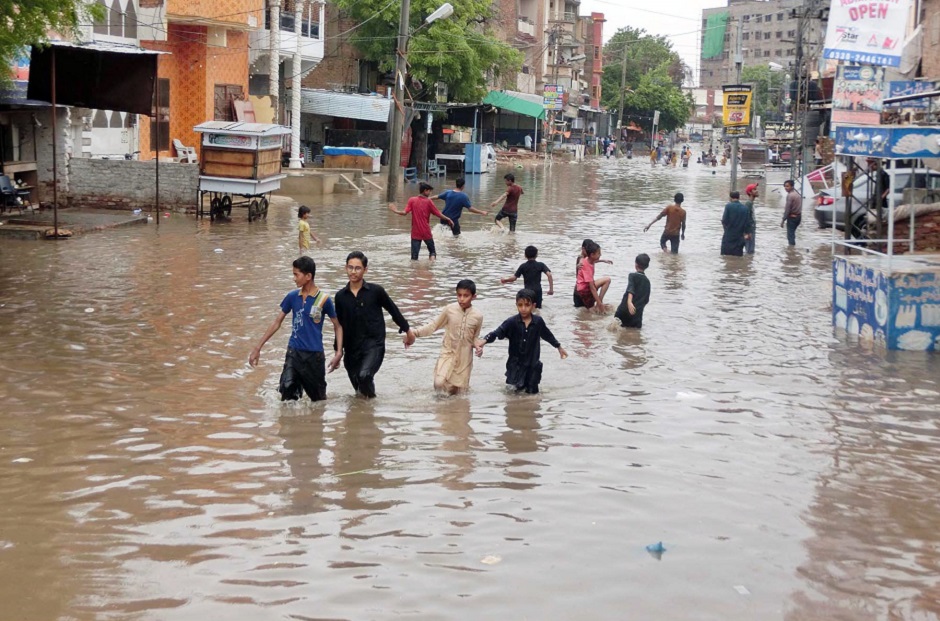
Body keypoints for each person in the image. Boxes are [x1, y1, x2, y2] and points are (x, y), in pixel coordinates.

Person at [249, 256, 343, 402]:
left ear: (308, 276)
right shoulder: (292, 297)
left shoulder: (324, 300)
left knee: (318, 401)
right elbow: (277, 322)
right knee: (287, 391)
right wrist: (258, 347)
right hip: (294, 353)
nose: (294, 279)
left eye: (296, 274)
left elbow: (337, 326)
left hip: (314, 357)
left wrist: (338, 352)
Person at [334, 251, 412, 398]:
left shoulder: (376, 291)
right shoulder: (340, 297)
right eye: (350, 267)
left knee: (365, 376)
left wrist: (408, 331)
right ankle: (366, 415)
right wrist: (338, 351)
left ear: (365, 270)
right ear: (345, 268)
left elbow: (393, 310)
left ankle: (371, 410)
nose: (353, 271)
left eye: (357, 268)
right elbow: (339, 325)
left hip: (373, 346)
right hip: (351, 349)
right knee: (359, 390)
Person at [474, 289, 568, 394]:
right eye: (520, 305)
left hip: (533, 365)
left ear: (533, 306)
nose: (523, 309)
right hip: (515, 366)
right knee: (513, 395)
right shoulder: (511, 322)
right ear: (516, 305)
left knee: (532, 395)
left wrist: (559, 347)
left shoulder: (538, 322)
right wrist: (484, 341)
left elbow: (547, 335)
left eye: (527, 305)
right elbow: (497, 332)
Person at [407, 279, 484, 395]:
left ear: (474, 297)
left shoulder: (478, 316)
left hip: (465, 357)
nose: (461, 299)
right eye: (459, 295)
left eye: (466, 296)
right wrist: (414, 333)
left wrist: (478, 347)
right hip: (448, 353)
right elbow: (434, 325)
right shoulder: (449, 310)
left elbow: (474, 337)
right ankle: (439, 406)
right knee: (439, 383)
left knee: (459, 393)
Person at [388, 182, 453, 260]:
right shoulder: (429, 202)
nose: (430, 193)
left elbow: (404, 213)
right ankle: (431, 267)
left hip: (416, 232)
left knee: (414, 257)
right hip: (426, 231)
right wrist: (448, 219)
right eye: (429, 191)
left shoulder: (412, 200)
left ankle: (414, 270)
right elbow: (438, 214)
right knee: (432, 252)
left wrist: (395, 210)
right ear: (425, 191)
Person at [615, 253, 651, 329]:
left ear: (636, 264)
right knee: (634, 335)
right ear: (647, 266)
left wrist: (629, 302)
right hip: (636, 316)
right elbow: (646, 300)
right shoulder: (647, 282)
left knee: (617, 332)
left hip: (623, 311)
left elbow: (630, 289)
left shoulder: (632, 276)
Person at [572, 238, 612, 307]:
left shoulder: (588, 258)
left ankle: (599, 303)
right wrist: (577, 266)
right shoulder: (581, 259)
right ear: (583, 249)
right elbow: (582, 263)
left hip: (582, 288)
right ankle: (599, 304)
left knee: (585, 311)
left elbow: (593, 261)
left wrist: (603, 260)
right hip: (581, 290)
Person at [720, 190, 753, 256]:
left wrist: (726, 229)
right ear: (739, 197)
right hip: (739, 237)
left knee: (726, 257)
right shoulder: (745, 208)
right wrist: (748, 233)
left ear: (730, 198)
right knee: (738, 256)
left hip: (729, 236)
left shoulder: (728, 206)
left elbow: (724, 220)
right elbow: (747, 223)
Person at [781, 179, 802, 246]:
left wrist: (783, 220)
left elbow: (787, 209)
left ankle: (791, 251)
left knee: (790, 235)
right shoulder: (797, 195)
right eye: (785, 186)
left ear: (792, 186)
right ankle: (792, 249)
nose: (786, 188)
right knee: (792, 234)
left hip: (792, 218)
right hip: (798, 217)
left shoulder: (790, 196)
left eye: (787, 186)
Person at [744, 183, 759, 254]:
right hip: (750, 230)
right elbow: (745, 218)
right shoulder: (748, 204)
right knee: (749, 250)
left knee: (751, 250)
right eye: (755, 189)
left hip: (751, 229)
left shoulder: (751, 203)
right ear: (750, 192)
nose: (757, 191)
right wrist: (747, 232)